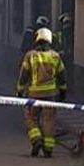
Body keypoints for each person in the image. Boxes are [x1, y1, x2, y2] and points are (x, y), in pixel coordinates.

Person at [16, 26, 67, 158]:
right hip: (51, 95)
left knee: (30, 118)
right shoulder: (56, 57)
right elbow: (62, 76)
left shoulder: (30, 56)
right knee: (49, 121)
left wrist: (20, 90)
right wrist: (63, 91)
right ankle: (48, 149)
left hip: (34, 95)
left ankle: (36, 140)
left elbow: (24, 75)